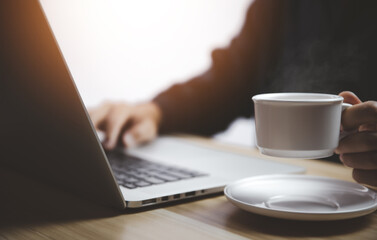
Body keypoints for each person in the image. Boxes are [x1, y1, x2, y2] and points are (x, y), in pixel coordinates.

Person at [89, 0, 377, 187]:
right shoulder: (275, 8)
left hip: (359, 201)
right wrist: (156, 110)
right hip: (268, 198)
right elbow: (228, 82)